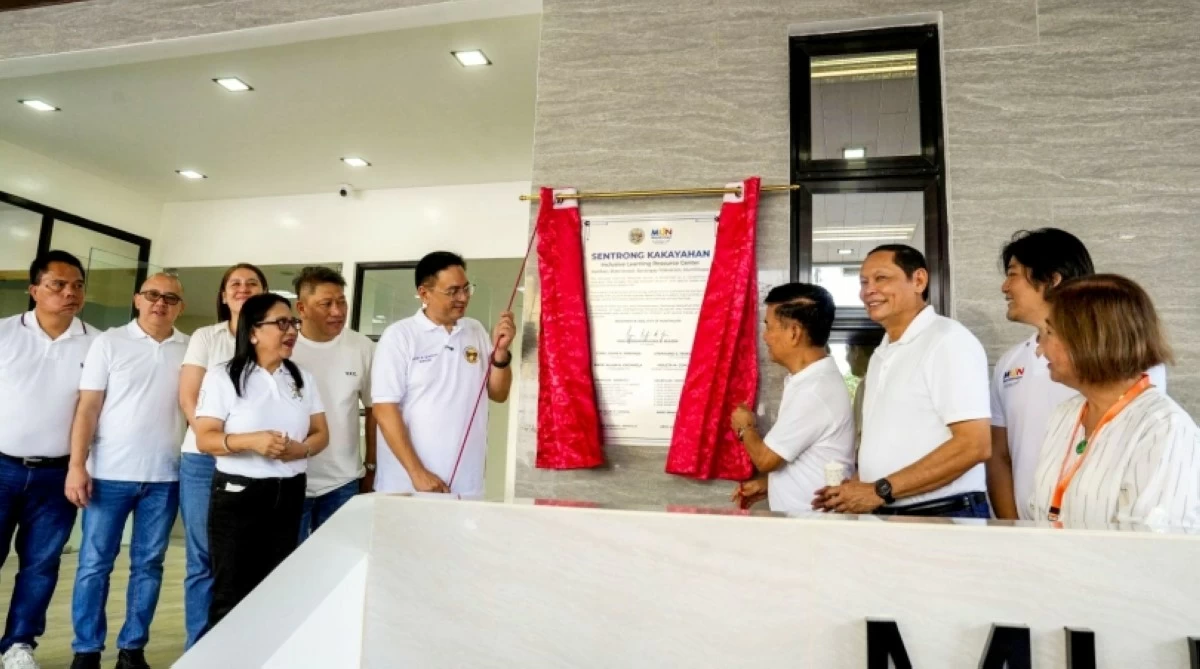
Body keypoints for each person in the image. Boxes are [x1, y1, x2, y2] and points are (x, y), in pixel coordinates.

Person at [987, 229, 1167, 520]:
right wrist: (1013, 529)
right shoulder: (1011, 363)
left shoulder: (1127, 360)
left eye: (1013, 274)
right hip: (1038, 534)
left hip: (1104, 539)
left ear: (1052, 280)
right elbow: (999, 456)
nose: (1004, 287)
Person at [65, 274, 189, 669]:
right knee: (93, 564)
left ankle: (132, 649)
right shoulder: (110, 342)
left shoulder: (189, 349)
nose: (160, 303)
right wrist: (76, 465)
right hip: (108, 474)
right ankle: (86, 650)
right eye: (152, 295)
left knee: (148, 565)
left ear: (179, 306)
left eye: (170, 298)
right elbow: (87, 407)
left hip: (166, 477)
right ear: (138, 299)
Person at [814, 244, 992, 518]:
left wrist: (879, 490)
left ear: (919, 280)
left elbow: (974, 445)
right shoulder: (881, 354)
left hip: (942, 515)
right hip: (891, 511)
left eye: (881, 278)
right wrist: (858, 487)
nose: (868, 290)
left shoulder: (947, 340)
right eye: (863, 282)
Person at [192, 293, 329, 632]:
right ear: (253, 331)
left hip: (289, 493)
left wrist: (301, 450)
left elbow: (321, 433)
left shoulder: (301, 378)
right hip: (239, 495)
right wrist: (252, 441)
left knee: (277, 590)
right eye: (281, 323)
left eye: (293, 323)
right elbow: (205, 438)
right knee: (231, 594)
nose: (292, 330)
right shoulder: (224, 376)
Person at [1028, 275, 1198, 526]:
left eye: (1049, 332)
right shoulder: (1065, 414)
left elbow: (1155, 545)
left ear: (1090, 338)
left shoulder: (1163, 428)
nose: (1039, 348)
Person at [0, 250, 95, 669]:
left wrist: (80, 466)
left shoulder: (96, 342)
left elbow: (94, 411)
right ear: (34, 288)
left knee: (40, 565)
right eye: (58, 284)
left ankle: (18, 645)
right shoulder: (4, 333)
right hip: (1, 466)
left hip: (58, 475)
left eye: (77, 285)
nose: (69, 292)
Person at [371, 252, 515, 496]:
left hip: (466, 483)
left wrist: (501, 353)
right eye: (453, 291)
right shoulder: (400, 336)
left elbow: (498, 394)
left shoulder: (475, 330)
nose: (463, 297)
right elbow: (384, 410)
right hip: (408, 484)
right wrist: (417, 473)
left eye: (467, 289)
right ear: (424, 293)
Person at [175, 263, 266, 649]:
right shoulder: (206, 337)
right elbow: (188, 396)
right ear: (223, 295)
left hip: (254, 463)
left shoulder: (276, 336)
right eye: (235, 284)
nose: (243, 289)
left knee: (247, 558)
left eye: (252, 283)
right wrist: (213, 441)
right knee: (203, 559)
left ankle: (241, 649)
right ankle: (200, 649)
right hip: (202, 460)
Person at [729, 284, 855, 513]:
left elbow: (766, 460)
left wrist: (745, 427)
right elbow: (808, 457)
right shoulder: (808, 381)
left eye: (769, 327)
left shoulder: (813, 391)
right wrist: (770, 485)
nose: (765, 337)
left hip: (812, 530)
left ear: (794, 333)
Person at [289, 267, 375, 541]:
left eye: (341, 302)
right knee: (289, 570)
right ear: (301, 308)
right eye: (326, 304)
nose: (337, 311)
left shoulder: (362, 348)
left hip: (343, 481)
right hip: (291, 479)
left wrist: (372, 467)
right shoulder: (285, 346)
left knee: (340, 568)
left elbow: (375, 411)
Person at [844, 330, 879, 450]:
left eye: (847, 351)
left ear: (857, 351)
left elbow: (861, 434)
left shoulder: (865, 387)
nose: (846, 358)